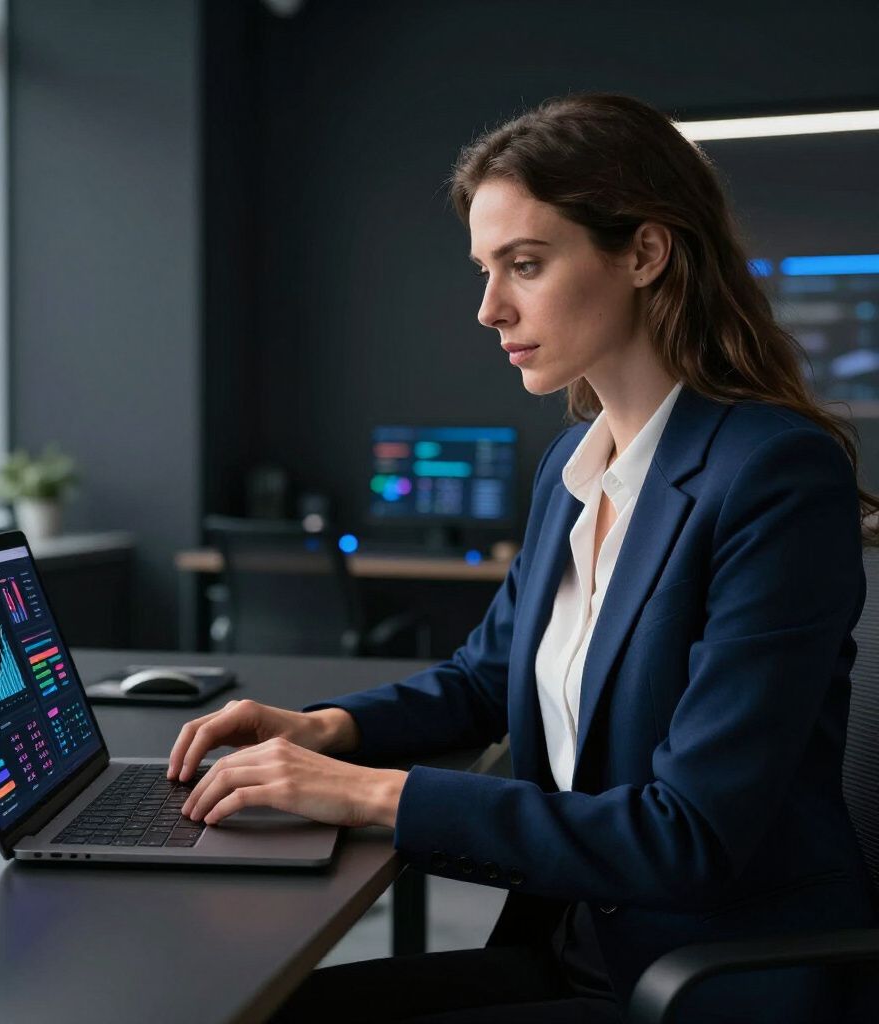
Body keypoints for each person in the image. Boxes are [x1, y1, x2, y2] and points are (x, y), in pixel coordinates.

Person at [166, 93, 878, 1023]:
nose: (490, 307)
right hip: (587, 941)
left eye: (526, 265)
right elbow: (486, 675)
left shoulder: (773, 474)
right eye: (485, 269)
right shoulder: (574, 467)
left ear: (645, 254)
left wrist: (370, 795)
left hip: (707, 978)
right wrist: (327, 729)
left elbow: (688, 836)